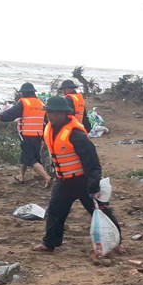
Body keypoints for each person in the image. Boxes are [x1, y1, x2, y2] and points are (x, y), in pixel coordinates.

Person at [33, 96, 121, 257]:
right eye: (49, 112)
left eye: (54, 113)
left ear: (63, 114)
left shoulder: (75, 134)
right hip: (63, 180)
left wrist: (93, 183)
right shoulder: (49, 129)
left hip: (82, 180)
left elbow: (92, 161)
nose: (50, 115)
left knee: (100, 209)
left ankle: (116, 243)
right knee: (55, 211)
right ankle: (49, 243)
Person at [0, 82, 52, 188]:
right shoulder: (40, 104)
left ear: (24, 93)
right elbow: (46, 121)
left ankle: (47, 177)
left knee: (30, 159)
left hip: (27, 135)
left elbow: (12, 113)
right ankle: (21, 176)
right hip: (38, 135)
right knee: (28, 155)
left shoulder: (23, 103)